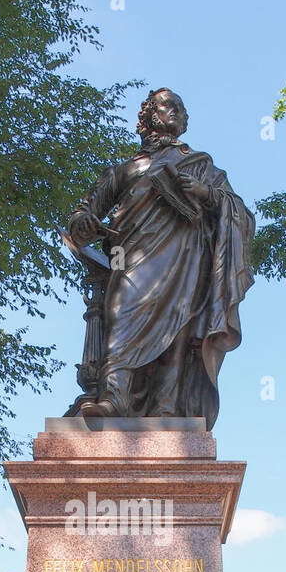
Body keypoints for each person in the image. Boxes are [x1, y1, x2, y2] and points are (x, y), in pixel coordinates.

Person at [66, 88, 254, 429]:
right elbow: (82, 215)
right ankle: (113, 397)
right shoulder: (127, 169)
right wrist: (85, 224)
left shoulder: (201, 165)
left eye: (182, 108)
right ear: (151, 113)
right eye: (172, 105)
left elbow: (239, 211)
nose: (180, 112)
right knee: (120, 315)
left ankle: (167, 408)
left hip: (184, 259)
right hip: (130, 257)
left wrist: (207, 194)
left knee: (177, 329)